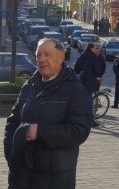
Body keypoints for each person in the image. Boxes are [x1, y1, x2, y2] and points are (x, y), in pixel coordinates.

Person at [4, 38, 90, 189]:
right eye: (38, 55)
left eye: (47, 54)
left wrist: (40, 132)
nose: (42, 59)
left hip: (54, 179)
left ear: (60, 57)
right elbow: (12, 122)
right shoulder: (29, 86)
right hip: (21, 175)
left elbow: (79, 131)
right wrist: (11, 153)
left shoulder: (75, 90)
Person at [74, 43, 102, 128]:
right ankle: (91, 120)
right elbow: (97, 71)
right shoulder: (94, 58)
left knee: (81, 101)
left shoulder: (81, 57)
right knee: (89, 101)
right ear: (91, 49)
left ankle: (80, 118)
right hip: (90, 82)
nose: (95, 49)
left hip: (81, 81)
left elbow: (76, 70)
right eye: (94, 48)